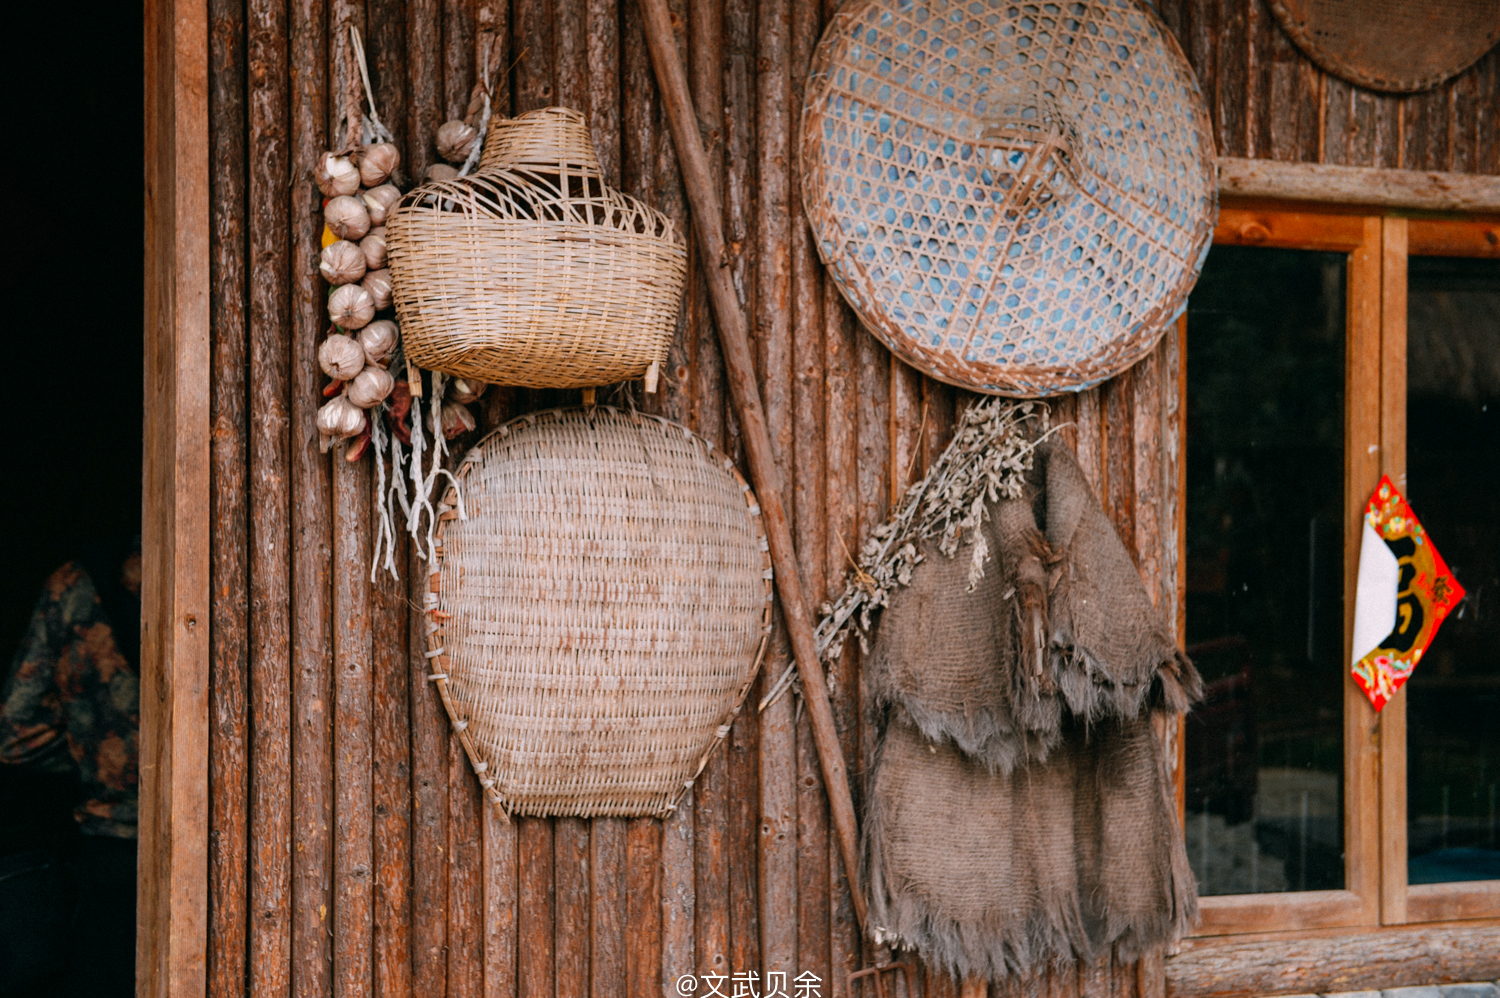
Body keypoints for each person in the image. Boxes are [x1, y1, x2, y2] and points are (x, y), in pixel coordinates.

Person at [0, 537, 141, 998]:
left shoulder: (74, 588)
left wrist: (98, 753)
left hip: (106, 851)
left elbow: (17, 732)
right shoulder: (223, 578)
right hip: (219, 851)